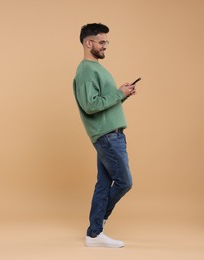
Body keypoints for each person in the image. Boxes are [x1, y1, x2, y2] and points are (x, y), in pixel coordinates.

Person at [73, 23, 136, 248]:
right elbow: (90, 105)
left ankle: (94, 234)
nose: (105, 47)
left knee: (103, 184)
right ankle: (96, 226)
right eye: (102, 42)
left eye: (106, 42)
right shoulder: (86, 70)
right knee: (124, 182)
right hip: (107, 137)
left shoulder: (96, 69)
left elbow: (103, 102)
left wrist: (123, 94)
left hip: (111, 134)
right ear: (88, 43)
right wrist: (119, 93)